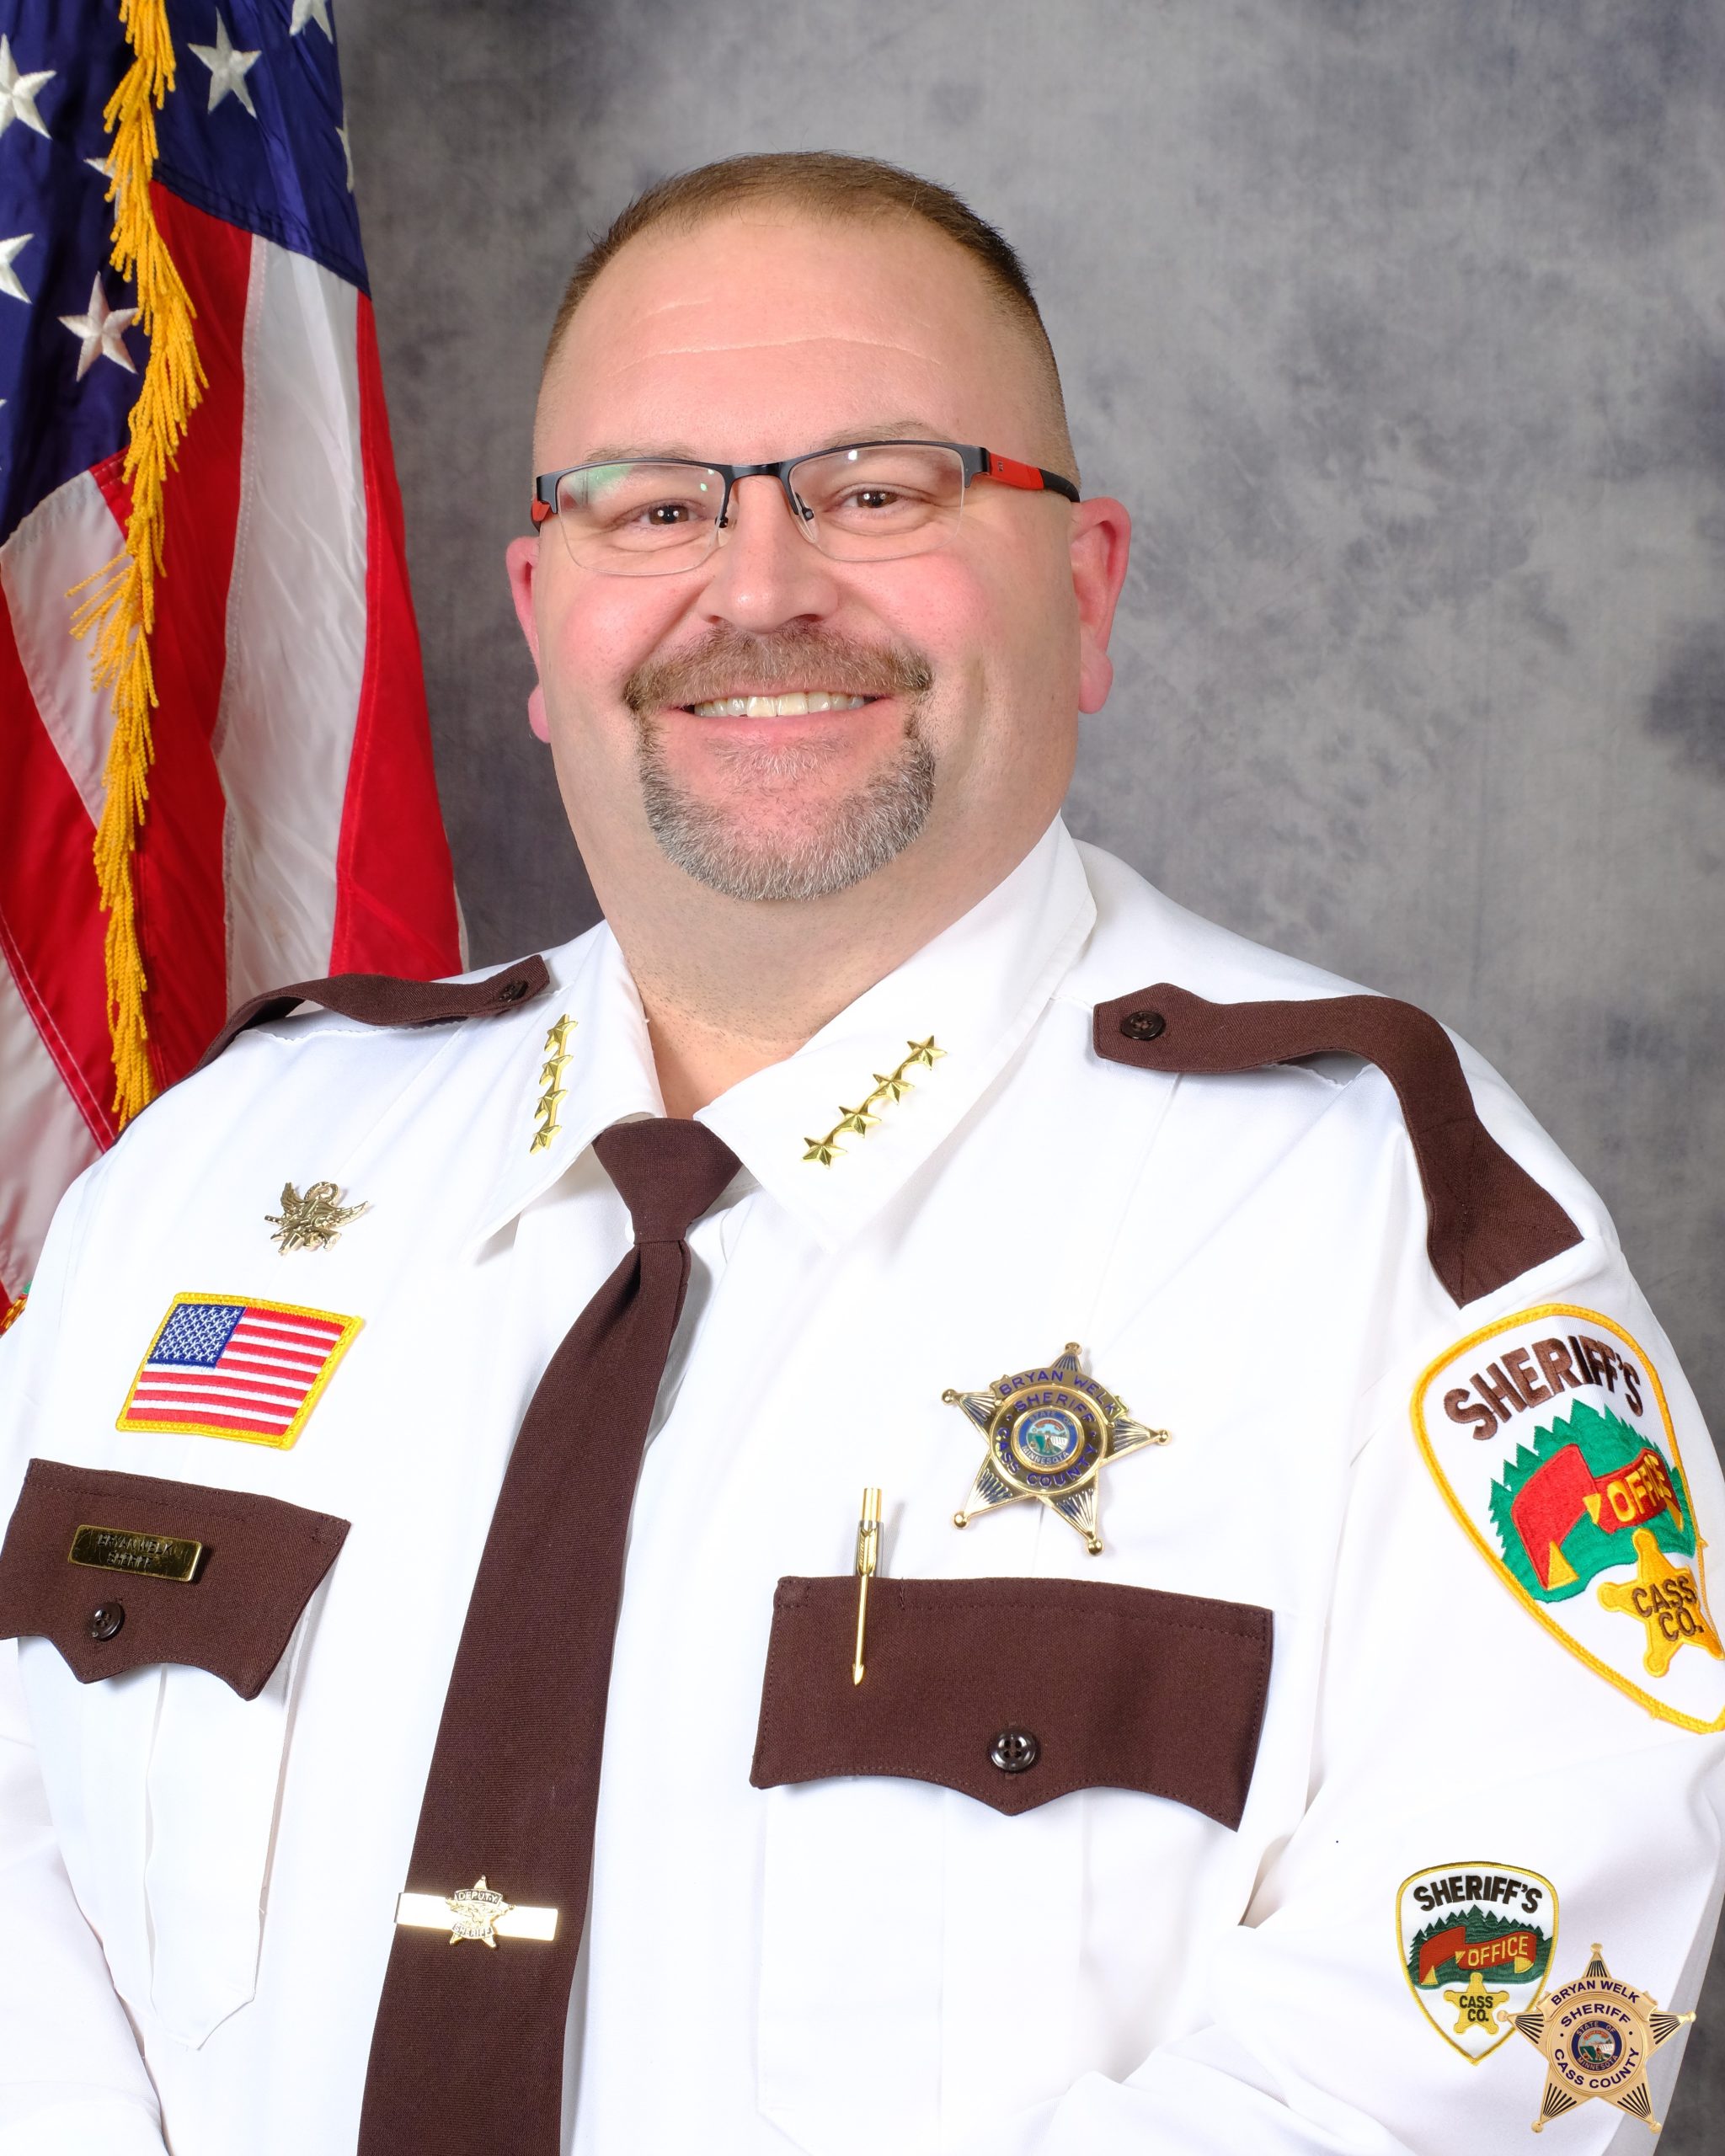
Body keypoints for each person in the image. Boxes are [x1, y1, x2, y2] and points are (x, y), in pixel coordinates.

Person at [1, 151, 1721, 2156]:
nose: (757, 587)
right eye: (654, 504)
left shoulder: (1397, 1234)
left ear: (1083, 589)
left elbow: (1510, 2039)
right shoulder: (214, 1173)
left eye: (882, 488)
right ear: (541, 615)